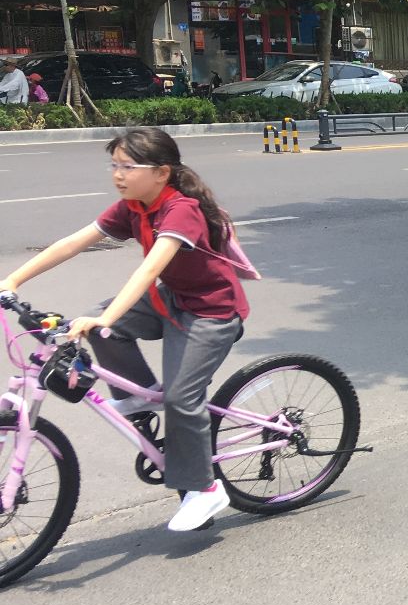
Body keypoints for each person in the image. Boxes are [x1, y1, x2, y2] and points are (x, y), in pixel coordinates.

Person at [0, 127, 249, 531]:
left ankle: (205, 489)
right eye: (114, 165)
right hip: (173, 298)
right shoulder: (133, 206)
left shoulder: (181, 209)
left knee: (181, 398)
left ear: (162, 173)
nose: (118, 174)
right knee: (98, 327)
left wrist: (107, 317)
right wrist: (12, 280)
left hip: (210, 311)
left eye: (128, 166)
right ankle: (139, 397)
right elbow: (73, 243)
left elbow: (149, 270)